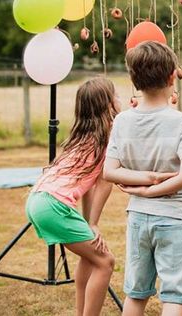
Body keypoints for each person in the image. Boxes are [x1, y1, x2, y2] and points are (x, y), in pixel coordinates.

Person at [103, 41, 182, 316]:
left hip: (137, 217)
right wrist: (152, 187)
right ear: (173, 77)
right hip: (174, 216)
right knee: (173, 295)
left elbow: (110, 171)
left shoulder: (122, 121)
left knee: (135, 293)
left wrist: (143, 186)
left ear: (133, 79)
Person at [25, 77, 119, 316]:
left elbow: (87, 186)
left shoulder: (83, 138)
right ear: (108, 105)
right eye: (115, 96)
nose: (120, 100)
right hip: (53, 205)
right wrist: (95, 223)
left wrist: (89, 224)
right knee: (106, 262)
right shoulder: (107, 138)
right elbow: (105, 180)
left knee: (91, 258)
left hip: (39, 200)